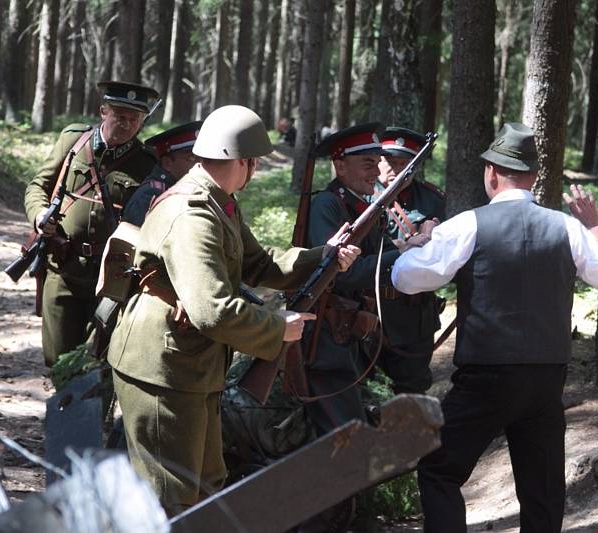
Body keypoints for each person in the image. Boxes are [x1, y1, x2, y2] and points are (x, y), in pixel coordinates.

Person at [107, 105, 360, 516]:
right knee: (167, 497)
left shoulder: (218, 202)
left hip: (191, 363)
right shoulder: (193, 215)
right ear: (244, 161)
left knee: (205, 487)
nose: (255, 170)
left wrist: (323, 257)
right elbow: (212, 310)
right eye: (254, 163)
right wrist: (277, 328)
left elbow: (258, 264)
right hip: (163, 368)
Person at [391, 123, 598, 533]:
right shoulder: (567, 226)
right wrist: (593, 226)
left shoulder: (468, 224)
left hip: (486, 376)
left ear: (491, 173)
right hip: (546, 380)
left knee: (438, 469)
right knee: (543, 491)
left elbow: (407, 278)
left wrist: (417, 248)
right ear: (534, 176)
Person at [297, 123, 425, 532]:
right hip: (327, 342)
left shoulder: (368, 204)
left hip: (352, 338)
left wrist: (409, 247)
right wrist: (400, 257)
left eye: (377, 162)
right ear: (339, 165)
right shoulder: (328, 206)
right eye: (366, 162)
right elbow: (337, 272)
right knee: (341, 441)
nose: (376, 169)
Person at [23, 81, 159, 366]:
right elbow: (38, 185)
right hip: (64, 265)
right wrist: (39, 215)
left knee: (101, 357)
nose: (126, 125)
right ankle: (63, 408)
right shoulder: (74, 141)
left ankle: (90, 411)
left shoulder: (148, 163)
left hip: (112, 274)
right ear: (103, 111)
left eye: (135, 119)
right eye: (120, 116)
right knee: (58, 357)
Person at [373, 127, 446, 394]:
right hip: (369, 310)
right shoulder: (361, 197)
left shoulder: (431, 199)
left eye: (404, 163)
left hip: (414, 313)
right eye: (389, 161)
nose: (395, 169)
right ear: (378, 161)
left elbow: (444, 253)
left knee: (412, 390)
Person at [122, 121, 202, 226]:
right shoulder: (151, 195)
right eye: (192, 157)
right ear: (167, 163)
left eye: (201, 158)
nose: (200, 163)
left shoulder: (185, 188)